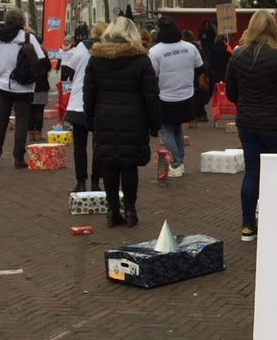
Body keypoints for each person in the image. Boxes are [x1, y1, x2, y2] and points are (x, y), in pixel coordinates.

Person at [82, 16, 161, 228]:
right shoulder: (141, 59)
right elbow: (151, 94)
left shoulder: (96, 58)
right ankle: (131, 211)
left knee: (109, 164)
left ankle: (112, 211)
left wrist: (89, 119)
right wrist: (155, 123)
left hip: (105, 116)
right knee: (129, 165)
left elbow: (88, 92)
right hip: (134, 118)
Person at [225, 10, 277, 242]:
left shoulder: (237, 56)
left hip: (248, 123)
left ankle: (247, 226)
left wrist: (246, 105)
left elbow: (231, 92)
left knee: (252, 172)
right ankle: (276, 222)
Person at [0, 8, 42, 169]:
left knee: (1, 121)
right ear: (22, 21)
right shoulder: (28, 37)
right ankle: (18, 159)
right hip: (25, 87)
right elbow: (42, 61)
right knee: (22, 121)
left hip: (2, 86)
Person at [147, 16, 202, 177]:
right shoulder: (190, 47)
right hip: (186, 94)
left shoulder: (155, 51)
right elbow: (199, 67)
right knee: (177, 129)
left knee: (166, 131)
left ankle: (176, 164)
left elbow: (152, 75)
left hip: (166, 95)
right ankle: (180, 162)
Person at [62, 22, 107, 193]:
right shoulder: (107, 49)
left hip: (77, 103)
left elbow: (70, 69)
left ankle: (81, 181)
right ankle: (96, 181)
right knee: (99, 145)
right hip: (98, 103)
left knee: (79, 146)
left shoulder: (81, 47)